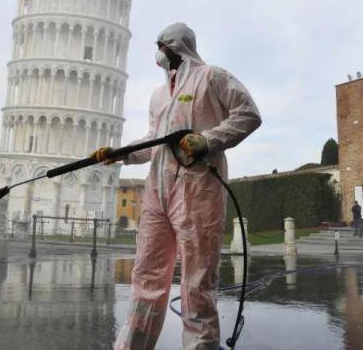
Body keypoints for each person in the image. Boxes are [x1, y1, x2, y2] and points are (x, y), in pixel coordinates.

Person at [92, 23, 261, 350]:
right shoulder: (158, 96)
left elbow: (248, 114)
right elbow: (154, 143)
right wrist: (120, 153)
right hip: (157, 193)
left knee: (197, 283)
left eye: (161, 46)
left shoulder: (212, 77)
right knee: (146, 277)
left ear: (175, 46)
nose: (158, 54)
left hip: (198, 191)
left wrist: (208, 140)